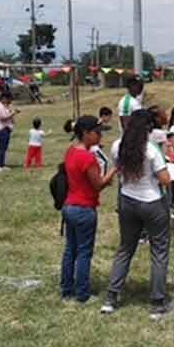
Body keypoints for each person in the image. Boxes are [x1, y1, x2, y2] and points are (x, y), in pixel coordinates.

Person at [102, 110, 174, 319]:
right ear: (148, 128)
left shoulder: (117, 145)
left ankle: (111, 297)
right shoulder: (151, 150)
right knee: (159, 251)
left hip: (127, 200)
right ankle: (158, 302)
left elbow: (118, 169)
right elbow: (165, 179)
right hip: (151, 202)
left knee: (125, 248)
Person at [60, 116, 117, 303]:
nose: (100, 136)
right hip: (84, 209)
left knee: (71, 250)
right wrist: (114, 170)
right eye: (97, 132)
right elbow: (98, 184)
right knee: (84, 252)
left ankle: (67, 289)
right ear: (85, 133)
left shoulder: (71, 152)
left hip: (69, 206)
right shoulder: (87, 157)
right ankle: (82, 293)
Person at [0, 91, 18, 172]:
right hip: (1, 128)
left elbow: (8, 115)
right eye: (8, 99)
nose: (9, 101)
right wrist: (14, 113)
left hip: (6, 128)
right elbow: (3, 117)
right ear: (4, 98)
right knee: (2, 147)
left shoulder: (5, 106)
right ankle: (0, 166)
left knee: (2, 147)